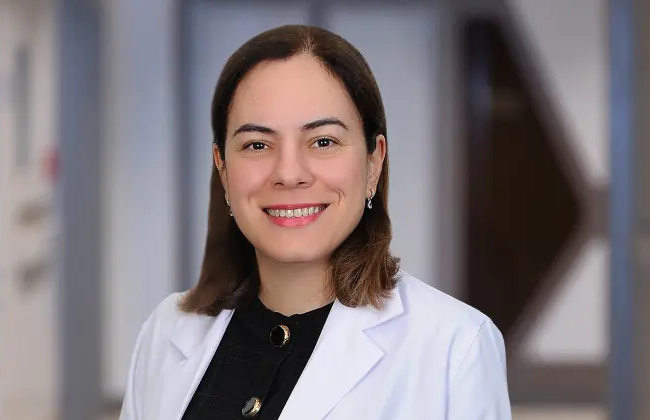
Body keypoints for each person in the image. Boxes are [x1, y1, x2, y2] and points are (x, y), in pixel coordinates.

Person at [119, 24, 511, 420]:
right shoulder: (166, 330)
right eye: (258, 144)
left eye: (323, 141)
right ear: (223, 169)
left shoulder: (455, 347)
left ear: (374, 162)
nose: (289, 174)